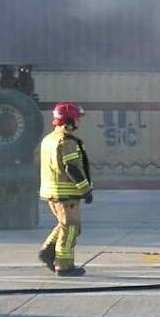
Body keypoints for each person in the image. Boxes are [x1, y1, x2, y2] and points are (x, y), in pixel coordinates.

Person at [37, 101, 93, 277]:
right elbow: (71, 168)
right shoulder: (66, 141)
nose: (79, 121)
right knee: (71, 228)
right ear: (69, 119)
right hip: (66, 194)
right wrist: (85, 189)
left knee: (65, 225)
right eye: (77, 118)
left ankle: (48, 251)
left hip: (52, 192)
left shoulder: (49, 139)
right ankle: (64, 265)